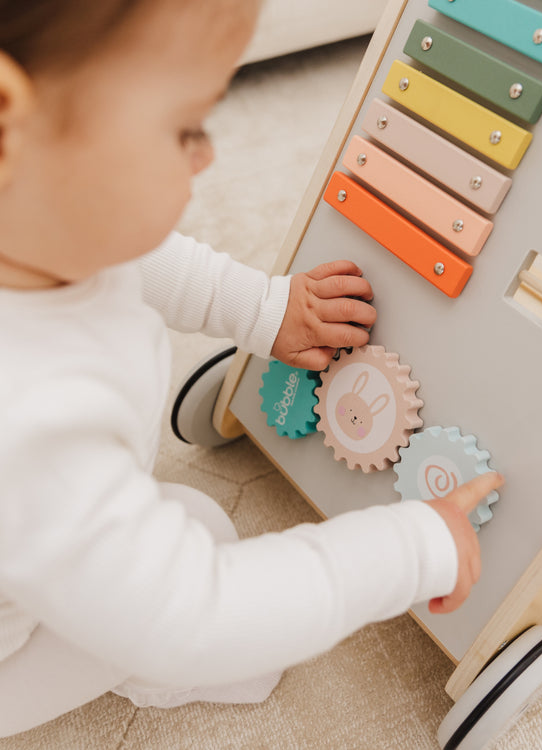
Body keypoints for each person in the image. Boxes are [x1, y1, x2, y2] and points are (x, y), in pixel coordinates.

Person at [0, 0, 503, 737]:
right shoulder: (29, 416)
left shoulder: (40, 218)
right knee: (197, 534)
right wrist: (413, 546)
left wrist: (267, 311)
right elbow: (195, 613)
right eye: (186, 128)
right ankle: (160, 683)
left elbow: (142, 258)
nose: (206, 156)